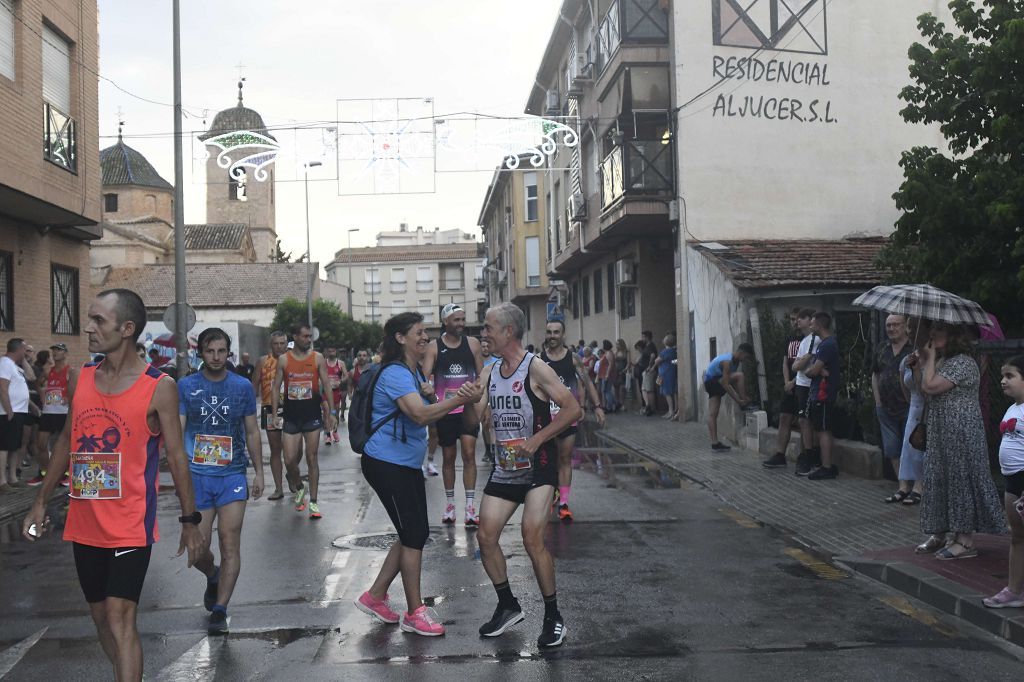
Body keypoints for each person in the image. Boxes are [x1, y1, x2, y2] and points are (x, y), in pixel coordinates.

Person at [22, 288, 203, 682]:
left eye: (97, 320)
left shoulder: (159, 386)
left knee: (121, 618)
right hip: (85, 522)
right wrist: (40, 500)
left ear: (127, 328)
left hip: (129, 524)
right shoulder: (82, 377)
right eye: (88, 318)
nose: (87, 327)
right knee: (101, 618)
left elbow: (176, 457)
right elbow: (67, 441)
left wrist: (191, 521)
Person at [354, 312, 482, 636]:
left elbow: (424, 407)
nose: (426, 337)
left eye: (426, 332)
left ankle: (375, 596)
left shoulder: (410, 373)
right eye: (419, 332)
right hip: (387, 463)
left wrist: (434, 394)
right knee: (413, 534)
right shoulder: (396, 374)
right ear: (400, 338)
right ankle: (414, 612)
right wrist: (456, 398)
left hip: (404, 463)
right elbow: (421, 416)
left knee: (413, 532)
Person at [463, 303, 580, 648]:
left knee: (532, 539)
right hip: (505, 468)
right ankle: (507, 605)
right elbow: (471, 423)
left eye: (488, 327)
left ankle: (553, 616)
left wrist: (538, 438)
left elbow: (574, 408)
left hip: (538, 469)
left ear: (508, 332)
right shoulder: (489, 371)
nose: (484, 333)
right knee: (485, 537)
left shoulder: (536, 368)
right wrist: (471, 402)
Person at [179, 327, 263, 634]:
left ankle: (220, 608)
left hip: (232, 475)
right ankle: (212, 574)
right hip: (198, 476)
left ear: (229, 353)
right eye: (210, 351)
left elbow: (252, 431)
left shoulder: (241, 387)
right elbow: (178, 430)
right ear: (200, 353)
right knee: (197, 549)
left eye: (221, 351)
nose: (216, 357)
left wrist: (259, 472)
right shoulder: (185, 386)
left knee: (230, 542)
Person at [914, 323, 1005, 558]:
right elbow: (922, 388)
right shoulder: (945, 361)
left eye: (939, 331)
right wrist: (923, 364)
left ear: (954, 335)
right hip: (942, 431)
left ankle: (964, 541)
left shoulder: (963, 362)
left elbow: (931, 386)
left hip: (961, 432)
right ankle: (941, 532)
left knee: (960, 480)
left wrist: (931, 356)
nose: (933, 335)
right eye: (932, 330)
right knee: (940, 479)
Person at [422, 304, 484, 527]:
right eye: (456, 320)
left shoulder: (473, 344)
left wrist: (478, 395)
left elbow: (482, 375)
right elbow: (424, 376)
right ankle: (450, 505)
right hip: (446, 410)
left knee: (469, 454)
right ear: (445, 322)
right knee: (448, 458)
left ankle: (469, 507)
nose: (461, 324)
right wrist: (429, 392)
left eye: (462, 319)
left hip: (467, 409)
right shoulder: (434, 347)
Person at [271, 324, 336, 520]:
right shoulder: (284, 359)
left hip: (312, 415)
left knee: (311, 457)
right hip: (291, 416)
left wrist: (331, 412)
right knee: (289, 460)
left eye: (310, 337)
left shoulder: (317, 358)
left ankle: (314, 502)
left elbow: (326, 384)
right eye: (305, 336)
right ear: (295, 337)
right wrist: (275, 414)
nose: (309, 340)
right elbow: (275, 388)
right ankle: (299, 486)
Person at [541, 320, 603, 522]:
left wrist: (598, 407)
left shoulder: (573, 359)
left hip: (567, 418)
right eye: (549, 332)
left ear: (563, 335)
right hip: (546, 419)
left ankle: (564, 503)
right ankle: (552, 496)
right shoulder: (539, 360)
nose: (552, 336)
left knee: (565, 459)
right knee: (549, 462)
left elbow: (587, 382)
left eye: (556, 332)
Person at [984, 356, 1024, 608]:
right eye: (1002, 376)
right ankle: (1013, 589)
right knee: (1017, 537)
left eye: (1010, 376)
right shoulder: (1012, 408)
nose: (1003, 381)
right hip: (1012, 482)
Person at [874, 315, 912, 502]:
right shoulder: (882, 348)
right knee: (891, 449)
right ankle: (902, 486)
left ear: (905, 327)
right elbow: (875, 374)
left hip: (908, 406)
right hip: (885, 406)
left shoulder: (913, 349)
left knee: (911, 447)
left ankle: (917, 487)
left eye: (896, 324)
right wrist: (877, 401)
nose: (891, 328)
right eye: (888, 325)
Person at [896, 317, 930, 505]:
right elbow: (904, 386)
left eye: (914, 327)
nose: (909, 331)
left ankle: (920, 487)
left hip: (928, 409)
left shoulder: (934, 358)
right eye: (908, 327)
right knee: (909, 447)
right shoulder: (907, 360)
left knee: (922, 449)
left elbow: (926, 390)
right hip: (913, 408)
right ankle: (905, 486)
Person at [31, 343, 76, 487]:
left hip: (63, 413)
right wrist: (42, 395)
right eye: (53, 350)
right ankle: (45, 473)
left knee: (65, 445)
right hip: (49, 412)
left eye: (58, 350)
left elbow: (77, 389)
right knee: (41, 444)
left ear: (65, 353)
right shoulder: (47, 371)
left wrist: (68, 398)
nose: (55, 352)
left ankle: (66, 474)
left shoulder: (71, 371)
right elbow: (38, 384)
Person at [804, 313, 842, 481]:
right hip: (819, 392)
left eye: (812, 323)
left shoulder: (827, 345)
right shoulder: (824, 344)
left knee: (823, 430)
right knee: (820, 429)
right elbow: (816, 369)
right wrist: (815, 369)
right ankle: (825, 464)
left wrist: (811, 370)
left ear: (819, 325)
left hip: (823, 394)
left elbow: (813, 370)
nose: (810, 326)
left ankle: (827, 467)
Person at [763, 309, 802, 468]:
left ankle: (806, 455)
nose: (794, 323)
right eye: (792, 319)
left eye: (796, 319)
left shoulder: (808, 339)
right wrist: (787, 381)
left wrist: (794, 381)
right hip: (789, 386)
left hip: (802, 385)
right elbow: (785, 362)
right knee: (784, 418)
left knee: (804, 422)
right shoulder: (789, 339)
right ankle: (780, 455)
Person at [253, 331, 288, 500]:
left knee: (294, 450)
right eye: (276, 344)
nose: (279, 347)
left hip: (291, 407)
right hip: (269, 407)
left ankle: (292, 472)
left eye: (282, 343)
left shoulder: (292, 360)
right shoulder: (262, 361)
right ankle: (278, 488)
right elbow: (254, 385)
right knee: (275, 449)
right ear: (271, 345)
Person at [703, 343, 755, 451]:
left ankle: (715, 443)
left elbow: (731, 382)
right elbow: (726, 384)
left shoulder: (734, 360)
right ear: (742, 352)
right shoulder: (728, 361)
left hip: (712, 381)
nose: (745, 360)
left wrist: (742, 396)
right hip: (712, 381)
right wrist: (739, 401)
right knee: (740, 375)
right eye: (746, 357)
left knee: (713, 413)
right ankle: (744, 404)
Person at [789, 309, 821, 475]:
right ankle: (809, 454)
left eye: (802, 318)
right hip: (801, 384)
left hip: (809, 385)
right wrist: (802, 360)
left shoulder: (815, 341)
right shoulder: (804, 341)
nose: (798, 321)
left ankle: (811, 456)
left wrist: (803, 360)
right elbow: (795, 366)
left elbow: (801, 365)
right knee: (803, 421)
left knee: (807, 421)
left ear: (810, 321)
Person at [1, 338, 34, 490]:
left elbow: (31, 376)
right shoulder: (5, 363)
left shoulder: (16, 366)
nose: (27, 353)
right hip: (9, 412)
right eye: (25, 349)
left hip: (19, 411)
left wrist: (24, 360)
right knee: (4, 446)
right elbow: (2, 387)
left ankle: (13, 477)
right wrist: (9, 411)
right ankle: (2, 481)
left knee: (15, 446)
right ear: (18, 349)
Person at [479, 338, 500, 465]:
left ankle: (494, 452)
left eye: (487, 346)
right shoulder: (477, 362)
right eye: (483, 346)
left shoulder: (497, 362)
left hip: (493, 396)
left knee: (492, 424)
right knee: (485, 425)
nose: (485, 348)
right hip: (481, 397)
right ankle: (487, 450)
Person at [324, 347, 350, 446]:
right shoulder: (323, 362)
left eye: (333, 351)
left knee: (335, 413)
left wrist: (340, 382)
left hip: (336, 392)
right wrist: (324, 382)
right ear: (327, 352)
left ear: (336, 352)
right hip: (326, 392)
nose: (331, 353)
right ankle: (328, 435)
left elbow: (346, 375)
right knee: (326, 412)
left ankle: (334, 432)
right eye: (329, 351)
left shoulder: (340, 363)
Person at [654, 334, 678, 420]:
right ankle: (673, 410)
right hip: (671, 372)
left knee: (667, 393)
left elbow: (657, 360)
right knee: (672, 392)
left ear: (666, 341)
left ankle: (670, 411)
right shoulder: (674, 351)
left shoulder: (665, 351)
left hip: (665, 373)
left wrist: (656, 364)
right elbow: (675, 361)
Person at [613, 339, 629, 409]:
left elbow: (628, 362)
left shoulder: (626, 352)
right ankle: (617, 402)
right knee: (616, 387)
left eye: (618, 344)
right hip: (615, 371)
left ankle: (622, 403)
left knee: (622, 388)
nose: (617, 345)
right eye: (616, 344)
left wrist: (625, 369)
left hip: (622, 371)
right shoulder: (615, 352)